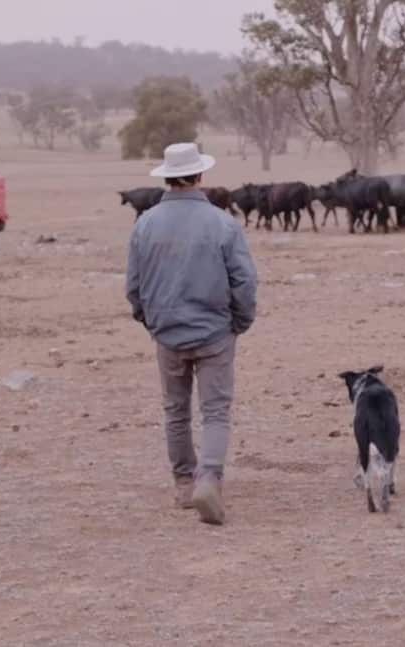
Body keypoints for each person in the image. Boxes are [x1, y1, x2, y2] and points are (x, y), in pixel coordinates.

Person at [125, 142, 258, 525]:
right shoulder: (223, 223)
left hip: (167, 333)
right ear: (200, 176)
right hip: (215, 331)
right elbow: (244, 282)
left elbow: (133, 286)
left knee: (175, 410)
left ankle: (184, 482)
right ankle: (209, 478)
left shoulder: (144, 224)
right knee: (215, 410)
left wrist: (150, 321)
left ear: (166, 178)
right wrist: (240, 322)